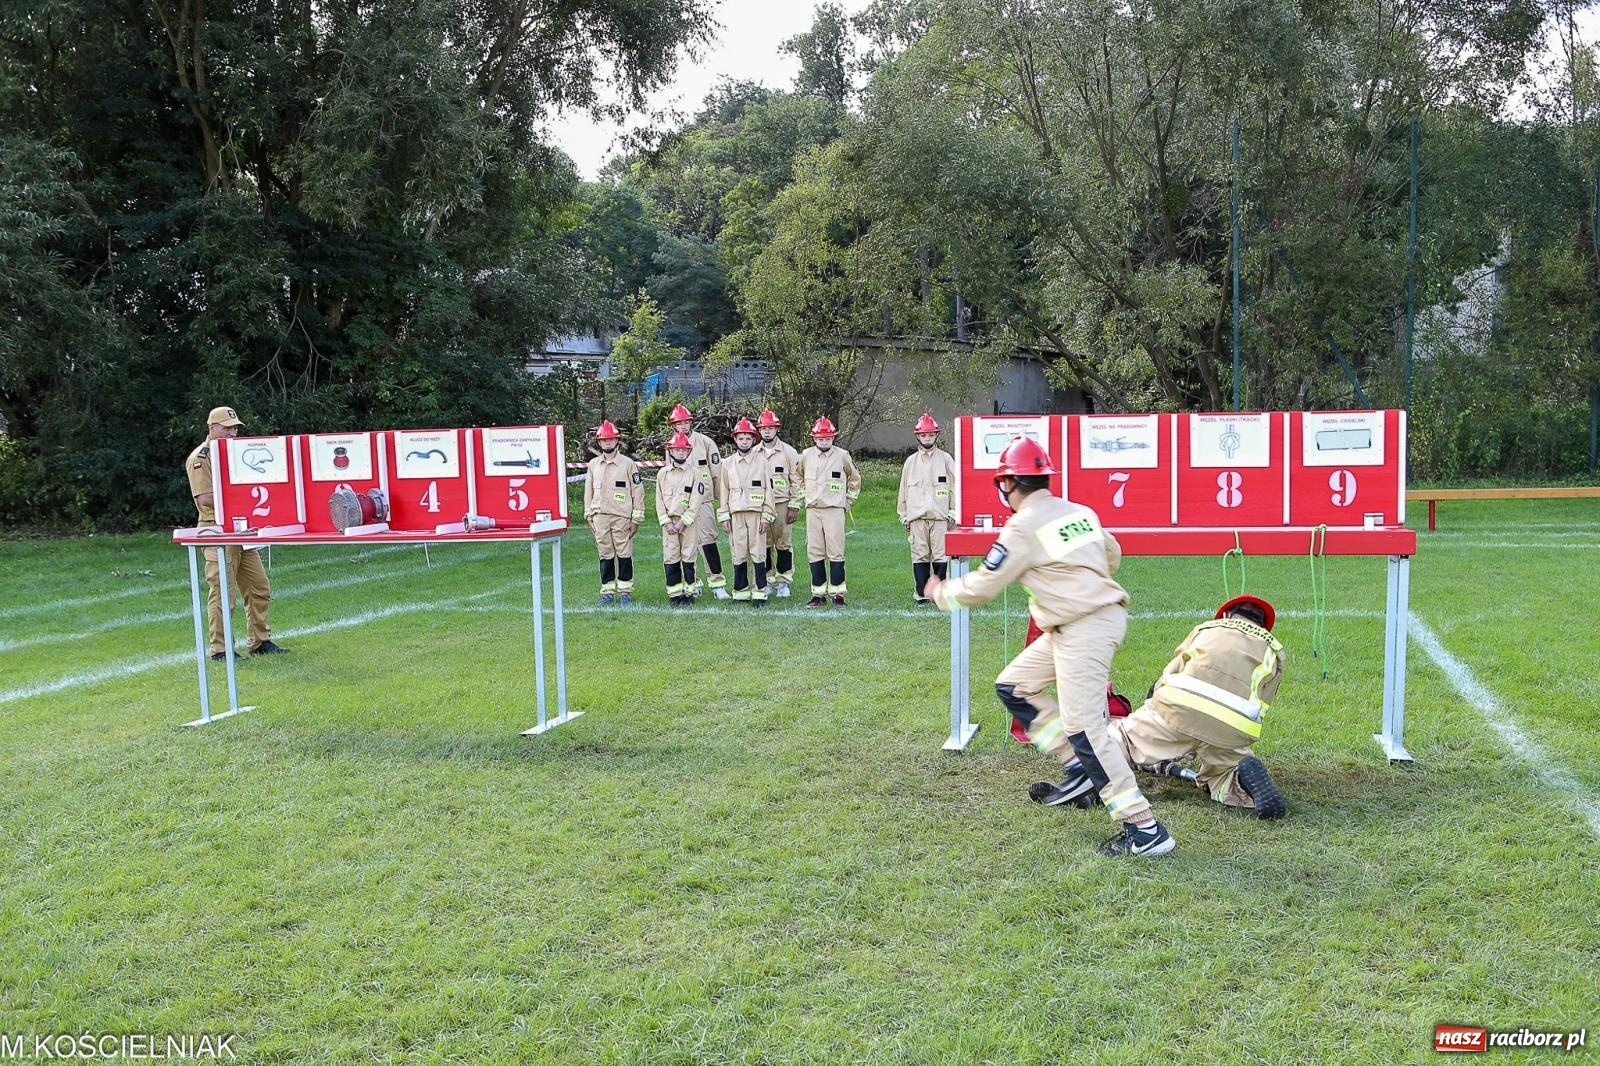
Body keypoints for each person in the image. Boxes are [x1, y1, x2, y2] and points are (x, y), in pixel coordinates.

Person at [924, 436, 1174, 858]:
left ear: (1007, 484)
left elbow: (984, 586)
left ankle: (1145, 830)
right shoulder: (1080, 512)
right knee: (1014, 687)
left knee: (1086, 730)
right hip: (1080, 623)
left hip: (1083, 627)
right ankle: (1077, 766)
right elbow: (1111, 554)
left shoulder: (1022, 526)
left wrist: (940, 593)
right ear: (1044, 478)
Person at [1036, 594, 1287, 819]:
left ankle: (1088, 788)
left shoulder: (1207, 629)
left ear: (1227, 615)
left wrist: (1154, 703)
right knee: (1221, 772)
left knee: (1120, 740)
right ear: (1263, 625)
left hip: (1180, 707)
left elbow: (1173, 670)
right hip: (1232, 726)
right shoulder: (1274, 650)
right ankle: (1239, 780)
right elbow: (1263, 702)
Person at [185, 405, 287, 660]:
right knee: (222, 592)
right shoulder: (202, 457)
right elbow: (205, 498)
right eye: (227, 428)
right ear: (212, 428)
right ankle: (220, 649)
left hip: (240, 529)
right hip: (216, 530)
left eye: (235, 429)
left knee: (258, 586)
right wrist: (243, 501)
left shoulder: (235, 454)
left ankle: (260, 641)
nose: (232, 433)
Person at [792, 416, 860, 607]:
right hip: (814, 510)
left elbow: (855, 479)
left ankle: (838, 594)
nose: (824, 442)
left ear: (833, 438)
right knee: (815, 551)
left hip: (834, 510)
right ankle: (818, 594)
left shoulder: (842, 456)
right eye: (821, 439)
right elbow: (796, 477)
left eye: (828, 438)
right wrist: (804, 495)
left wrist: (848, 500)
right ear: (814, 438)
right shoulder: (805, 455)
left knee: (836, 551)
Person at [667, 403, 728, 599]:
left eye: (686, 422)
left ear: (691, 422)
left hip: (704, 503)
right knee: (687, 546)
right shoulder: (671, 446)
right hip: (682, 506)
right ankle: (694, 583)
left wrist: (721, 501)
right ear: (673, 425)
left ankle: (717, 583)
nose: (683, 426)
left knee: (708, 541)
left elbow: (717, 473)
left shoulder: (705, 442)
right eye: (679, 423)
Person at [897, 412, 958, 604]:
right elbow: (903, 491)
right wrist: (904, 515)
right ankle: (922, 594)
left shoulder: (946, 459)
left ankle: (940, 594)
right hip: (917, 518)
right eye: (924, 435)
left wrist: (953, 513)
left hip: (940, 517)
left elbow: (955, 487)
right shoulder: (910, 462)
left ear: (936, 435)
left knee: (941, 556)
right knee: (920, 556)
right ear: (918, 436)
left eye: (931, 435)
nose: (927, 438)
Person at [583, 420, 644, 606]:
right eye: (604, 440)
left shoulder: (628, 464)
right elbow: (588, 492)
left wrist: (636, 518)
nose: (608, 443)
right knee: (605, 554)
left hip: (622, 517)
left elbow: (638, 492)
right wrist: (589, 515)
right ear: (599, 443)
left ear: (617, 441)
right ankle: (607, 592)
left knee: (624, 554)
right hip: (600, 516)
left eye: (611, 439)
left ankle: (625, 591)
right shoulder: (594, 465)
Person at [717, 417, 777, 605]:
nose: (744, 442)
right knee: (738, 552)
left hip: (757, 514)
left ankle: (760, 591)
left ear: (754, 440)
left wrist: (767, 516)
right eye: (741, 438)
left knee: (758, 552)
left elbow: (769, 490)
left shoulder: (762, 462)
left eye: (748, 438)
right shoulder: (726, 464)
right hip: (736, 515)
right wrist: (724, 515)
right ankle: (741, 591)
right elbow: (724, 490)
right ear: (735, 440)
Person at [756, 409, 801, 597]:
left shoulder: (789, 452)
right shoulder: (753, 452)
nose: (767, 432)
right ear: (759, 430)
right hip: (760, 506)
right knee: (763, 544)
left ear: (777, 429)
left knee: (783, 543)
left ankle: (784, 582)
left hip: (782, 504)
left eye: (770, 428)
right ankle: (767, 579)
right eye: (764, 428)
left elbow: (797, 480)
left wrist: (794, 505)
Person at [656, 431, 701, 606]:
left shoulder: (695, 473)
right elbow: (659, 500)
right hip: (669, 523)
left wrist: (684, 521)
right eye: (677, 450)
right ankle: (675, 593)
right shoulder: (662, 474)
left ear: (688, 452)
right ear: (671, 451)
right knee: (671, 556)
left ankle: (690, 592)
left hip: (687, 523)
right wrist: (666, 522)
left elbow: (696, 499)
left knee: (688, 555)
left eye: (683, 450)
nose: (680, 453)